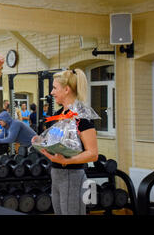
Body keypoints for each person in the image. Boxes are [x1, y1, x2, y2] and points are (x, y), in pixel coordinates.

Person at [31, 69, 98, 215]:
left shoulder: (82, 116)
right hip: (56, 173)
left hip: (73, 176)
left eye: (55, 88)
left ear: (66, 89)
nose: (51, 92)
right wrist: (40, 141)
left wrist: (67, 161)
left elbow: (93, 154)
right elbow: (55, 144)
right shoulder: (56, 115)